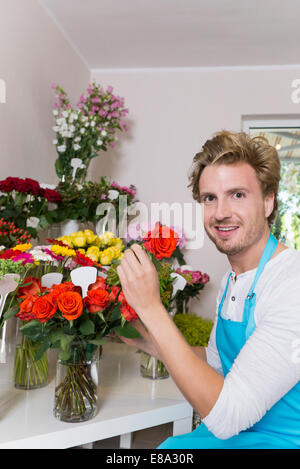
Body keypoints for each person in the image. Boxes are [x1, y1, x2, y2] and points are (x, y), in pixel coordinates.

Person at [116, 130, 300, 449]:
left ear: (268, 202)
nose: (220, 213)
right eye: (209, 198)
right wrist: (151, 342)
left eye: (237, 195)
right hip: (241, 432)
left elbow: (228, 416)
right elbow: (216, 362)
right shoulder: (235, 278)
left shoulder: (290, 283)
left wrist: (152, 309)